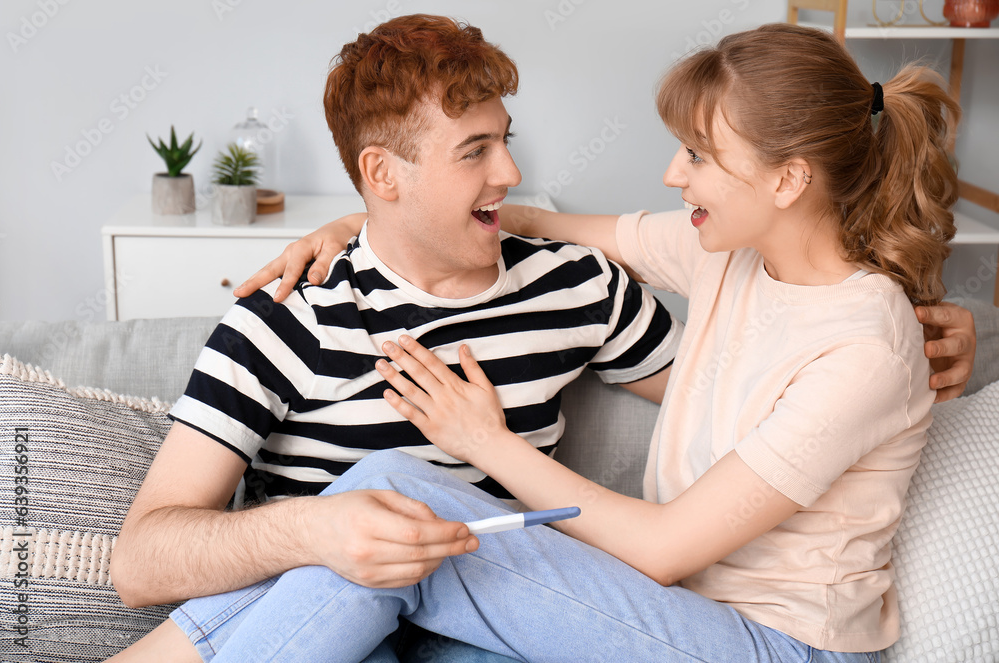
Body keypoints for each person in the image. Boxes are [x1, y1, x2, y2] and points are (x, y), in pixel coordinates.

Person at [119, 21, 985, 662]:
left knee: (395, 498)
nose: (672, 174)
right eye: (476, 151)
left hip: (761, 641)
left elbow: (680, 524)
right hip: (425, 621)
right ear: (385, 173)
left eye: (696, 153)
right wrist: (370, 222)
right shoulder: (722, 255)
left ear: (788, 180)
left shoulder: (840, 331)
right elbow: (556, 225)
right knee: (380, 536)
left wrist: (480, 441)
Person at [108, 14, 681, 663]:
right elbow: (142, 562)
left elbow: (725, 402)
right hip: (324, 619)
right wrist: (313, 530)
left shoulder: (578, 285)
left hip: (492, 620)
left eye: (505, 140)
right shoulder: (289, 314)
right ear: (382, 174)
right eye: (475, 150)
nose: (509, 171)